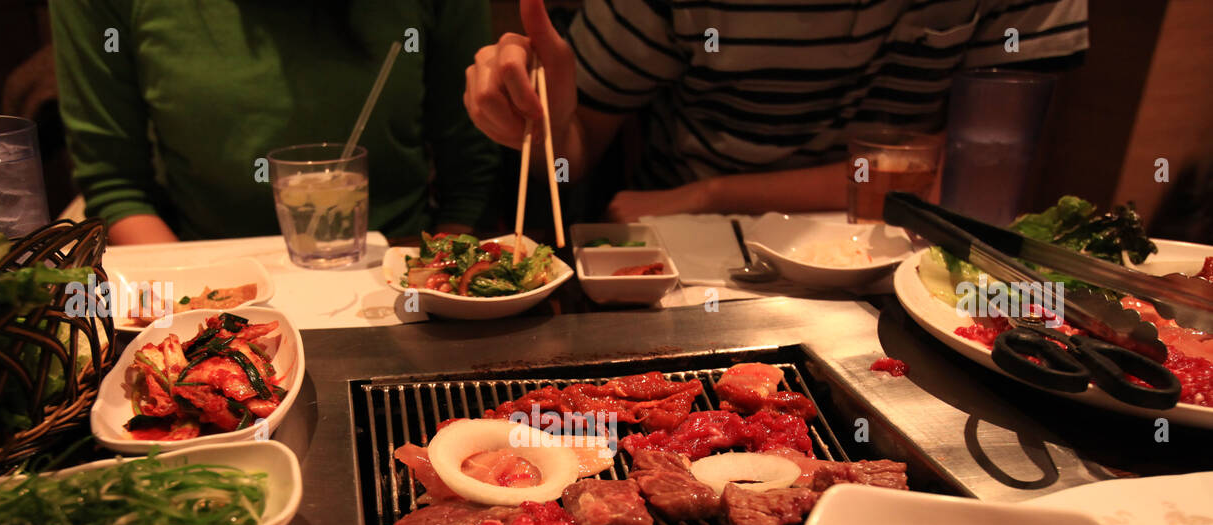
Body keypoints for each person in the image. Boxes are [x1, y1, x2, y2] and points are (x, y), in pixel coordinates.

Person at [465, 0, 1088, 221]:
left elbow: (974, 183)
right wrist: (540, 125)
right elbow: (571, 161)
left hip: (901, 266)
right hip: (682, 266)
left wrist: (710, 194)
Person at [51, 0, 499, 244]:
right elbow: (114, 183)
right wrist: (203, 311)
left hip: (399, 267)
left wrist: (439, 273)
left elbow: (470, 165)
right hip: (206, 275)